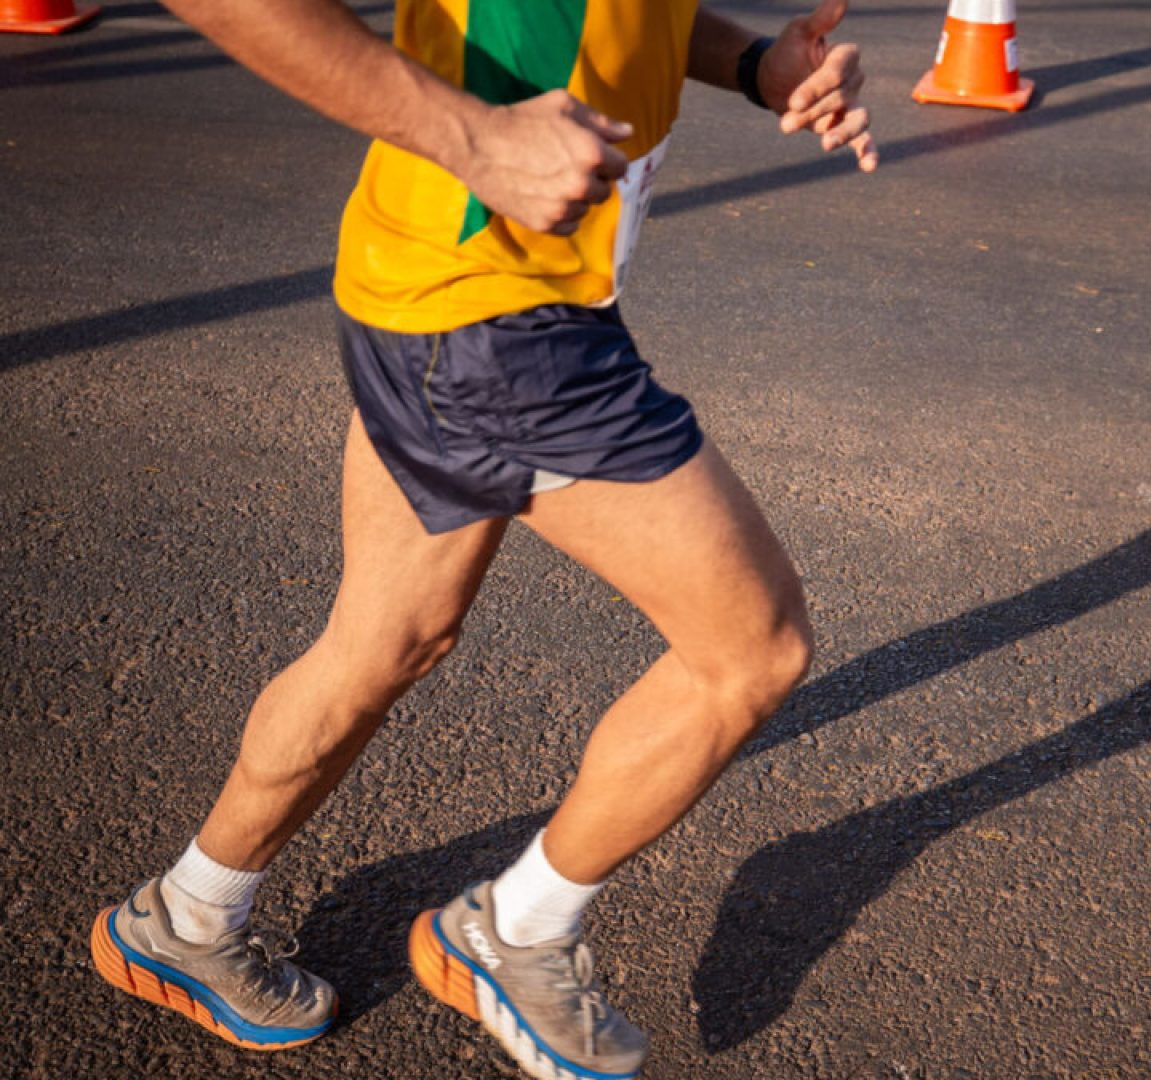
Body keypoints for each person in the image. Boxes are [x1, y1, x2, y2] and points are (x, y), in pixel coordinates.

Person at [87, 0, 876, 1076]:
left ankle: (186, 916)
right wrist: (476, 137)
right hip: (493, 324)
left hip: (448, 294)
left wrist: (750, 63)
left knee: (387, 640)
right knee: (754, 648)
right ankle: (514, 931)